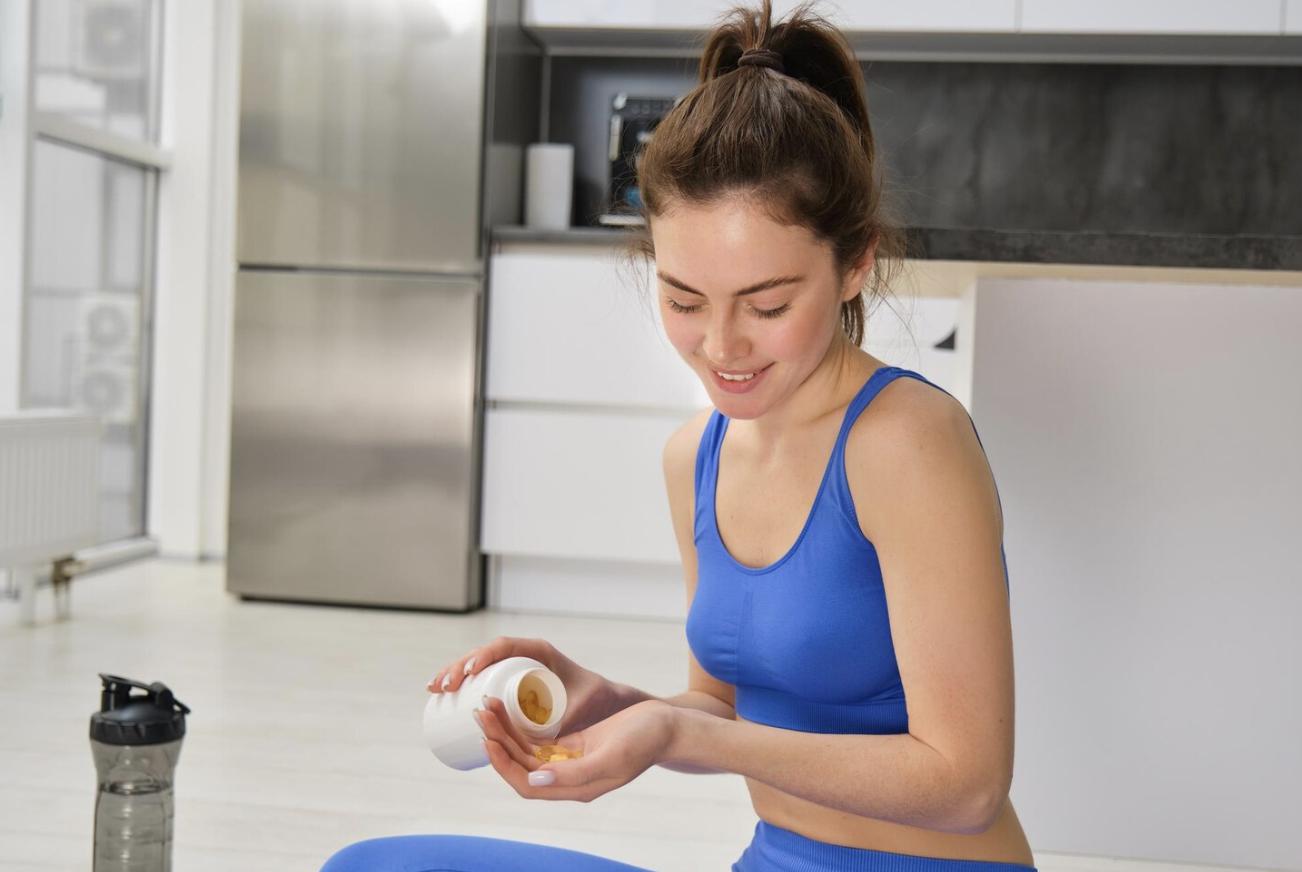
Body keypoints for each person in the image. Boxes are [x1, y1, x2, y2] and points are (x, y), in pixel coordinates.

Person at [322, 2, 1036, 870]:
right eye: (684, 300)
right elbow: (725, 711)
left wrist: (678, 735)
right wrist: (612, 704)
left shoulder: (907, 441)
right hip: (772, 858)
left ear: (855, 263)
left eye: (768, 305)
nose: (722, 346)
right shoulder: (696, 457)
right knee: (375, 865)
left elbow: (966, 785)